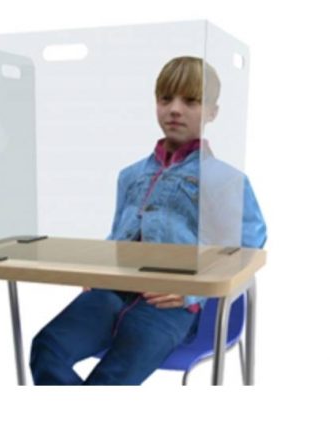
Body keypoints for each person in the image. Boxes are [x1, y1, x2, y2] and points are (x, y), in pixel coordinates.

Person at [29, 56, 267, 385]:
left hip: (171, 305)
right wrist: (97, 270)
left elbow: (248, 247)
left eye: (191, 101)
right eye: (166, 99)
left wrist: (191, 294)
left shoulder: (226, 180)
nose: (175, 109)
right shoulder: (130, 176)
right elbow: (117, 235)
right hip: (112, 291)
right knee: (47, 347)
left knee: (111, 379)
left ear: (212, 112)